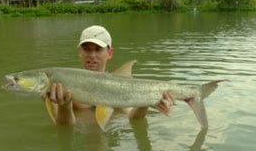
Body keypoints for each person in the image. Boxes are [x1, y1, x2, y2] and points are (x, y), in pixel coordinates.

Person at [47, 25, 175, 126]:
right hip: (80, 143)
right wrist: (65, 106)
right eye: (87, 49)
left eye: (98, 49)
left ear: (109, 52)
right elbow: (63, 127)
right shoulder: (60, 85)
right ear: (79, 52)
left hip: (113, 137)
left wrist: (147, 101)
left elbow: (134, 118)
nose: (92, 55)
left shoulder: (119, 86)